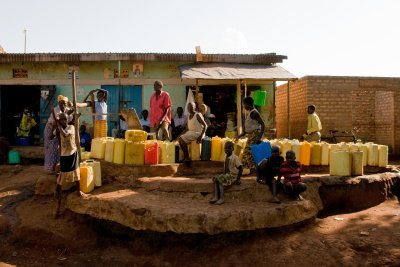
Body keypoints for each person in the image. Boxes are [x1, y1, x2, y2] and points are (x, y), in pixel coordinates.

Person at [52, 113, 82, 218]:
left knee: (77, 175)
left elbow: (65, 134)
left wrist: (58, 126)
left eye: (65, 119)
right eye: (61, 120)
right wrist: (54, 127)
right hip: (64, 156)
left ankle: (79, 191)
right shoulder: (58, 128)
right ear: (60, 121)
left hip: (73, 154)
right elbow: (51, 136)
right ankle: (58, 207)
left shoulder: (71, 127)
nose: (64, 121)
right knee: (61, 180)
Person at [44, 95, 73, 174]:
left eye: (65, 104)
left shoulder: (68, 110)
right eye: (61, 103)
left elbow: (70, 119)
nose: (63, 105)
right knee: (51, 148)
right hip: (51, 128)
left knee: (58, 149)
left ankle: (57, 168)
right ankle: (50, 169)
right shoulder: (56, 110)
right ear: (59, 103)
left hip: (60, 129)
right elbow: (55, 123)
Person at [236, 97, 265, 175]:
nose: (244, 106)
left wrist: (259, 137)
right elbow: (246, 130)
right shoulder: (250, 113)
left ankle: (247, 171)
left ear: (248, 104)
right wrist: (239, 136)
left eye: (244, 104)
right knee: (251, 153)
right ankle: (252, 170)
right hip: (251, 135)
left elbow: (263, 124)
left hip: (255, 135)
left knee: (247, 153)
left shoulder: (254, 113)